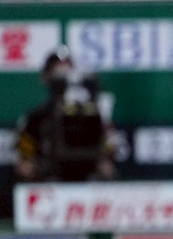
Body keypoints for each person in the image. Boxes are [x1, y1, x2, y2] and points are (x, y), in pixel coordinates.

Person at [13, 45, 116, 183]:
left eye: (67, 70)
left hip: (88, 183)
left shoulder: (94, 114)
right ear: (46, 77)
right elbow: (24, 163)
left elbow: (109, 155)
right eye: (57, 71)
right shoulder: (35, 119)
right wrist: (32, 167)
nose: (63, 75)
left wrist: (105, 162)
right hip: (50, 182)